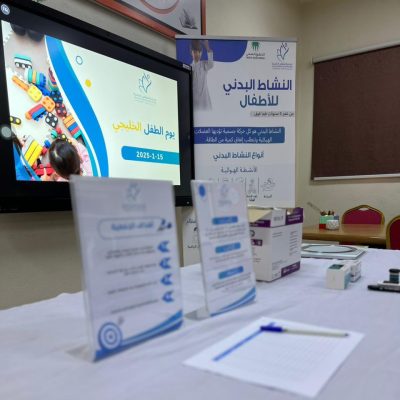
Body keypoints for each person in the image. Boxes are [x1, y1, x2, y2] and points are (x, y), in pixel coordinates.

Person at [190, 39, 214, 111]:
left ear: (201, 53)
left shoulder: (203, 65)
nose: (197, 54)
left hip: (205, 100)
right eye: (195, 52)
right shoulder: (189, 68)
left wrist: (207, 48)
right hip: (194, 102)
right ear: (191, 53)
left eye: (199, 52)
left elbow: (211, 64)